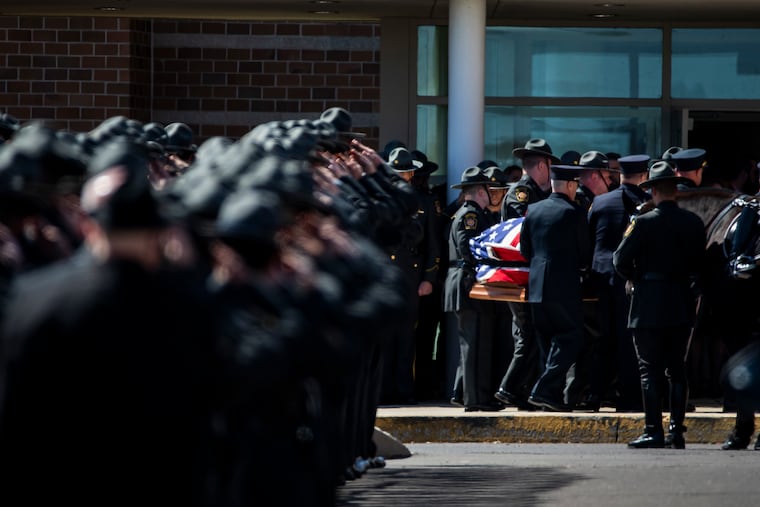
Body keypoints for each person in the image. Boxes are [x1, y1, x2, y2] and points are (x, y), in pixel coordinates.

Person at [0, 145, 217, 506]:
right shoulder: (188, 307)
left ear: (87, 224)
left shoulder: (34, 298)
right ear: (158, 232)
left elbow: (13, 418)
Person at [613, 160, 706, 449]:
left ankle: (653, 429)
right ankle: (676, 430)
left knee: (649, 370)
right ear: (675, 191)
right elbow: (700, 265)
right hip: (680, 301)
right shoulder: (693, 222)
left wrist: (636, 279)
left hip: (649, 302)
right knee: (677, 369)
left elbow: (619, 260)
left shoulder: (642, 222)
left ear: (653, 191)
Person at [494, 139, 561, 410]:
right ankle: (509, 388)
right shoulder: (521, 193)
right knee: (527, 333)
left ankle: (520, 391)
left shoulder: (538, 192)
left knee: (533, 333)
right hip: (519, 275)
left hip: (531, 274)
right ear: (544, 165)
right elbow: (521, 233)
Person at [520, 161, 592, 412]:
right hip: (564, 285)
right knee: (571, 338)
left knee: (546, 342)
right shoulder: (574, 213)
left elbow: (524, 250)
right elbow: (585, 253)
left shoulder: (534, 210)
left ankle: (549, 398)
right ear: (571, 185)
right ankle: (543, 389)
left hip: (537, 285)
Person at [586, 154, 652, 412]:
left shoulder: (599, 202)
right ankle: (628, 397)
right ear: (644, 176)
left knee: (602, 338)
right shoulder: (646, 204)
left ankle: (595, 394)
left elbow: (590, 237)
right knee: (628, 339)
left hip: (601, 276)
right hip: (629, 278)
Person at [444, 166, 504, 412]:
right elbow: (470, 250)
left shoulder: (466, 212)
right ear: (481, 191)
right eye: (487, 190)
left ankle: (465, 393)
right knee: (474, 343)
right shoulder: (472, 215)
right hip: (469, 283)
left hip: (464, 281)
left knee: (472, 342)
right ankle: (476, 399)